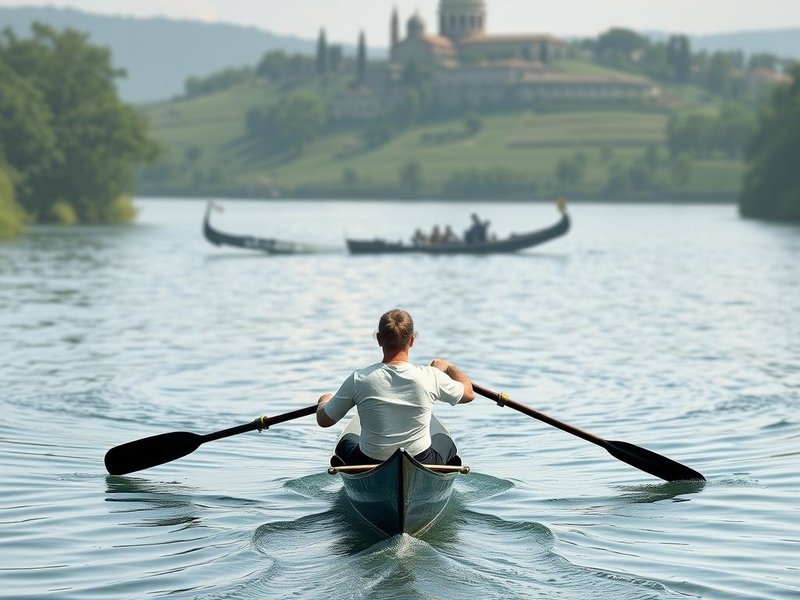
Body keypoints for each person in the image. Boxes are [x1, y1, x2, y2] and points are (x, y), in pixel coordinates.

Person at [316, 309, 474, 466]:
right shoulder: (431, 376)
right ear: (412, 340)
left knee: (347, 440)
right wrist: (448, 367)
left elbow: (324, 420)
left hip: (368, 461)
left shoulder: (360, 379)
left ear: (379, 339)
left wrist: (324, 401)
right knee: (444, 439)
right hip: (420, 459)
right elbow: (469, 393)